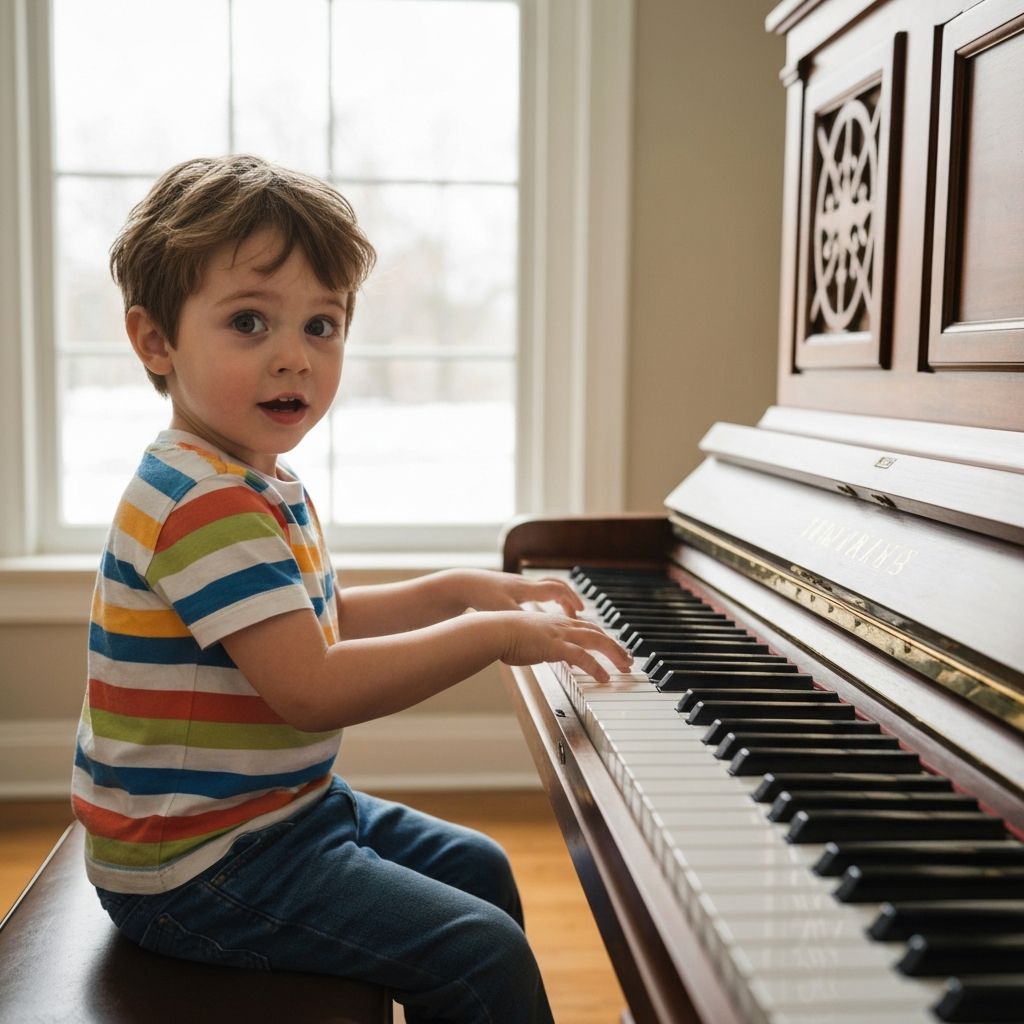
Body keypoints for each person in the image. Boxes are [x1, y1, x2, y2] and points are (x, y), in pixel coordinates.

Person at [71, 154, 631, 1024]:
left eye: (322, 327)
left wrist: (458, 591)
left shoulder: (248, 478)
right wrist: (489, 637)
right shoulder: (201, 500)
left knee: (480, 866)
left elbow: (309, 626)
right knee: (482, 953)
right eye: (250, 322)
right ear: (155, 340)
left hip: (278, 816)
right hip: (199, 865)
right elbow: (309, 687)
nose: (294, 357)